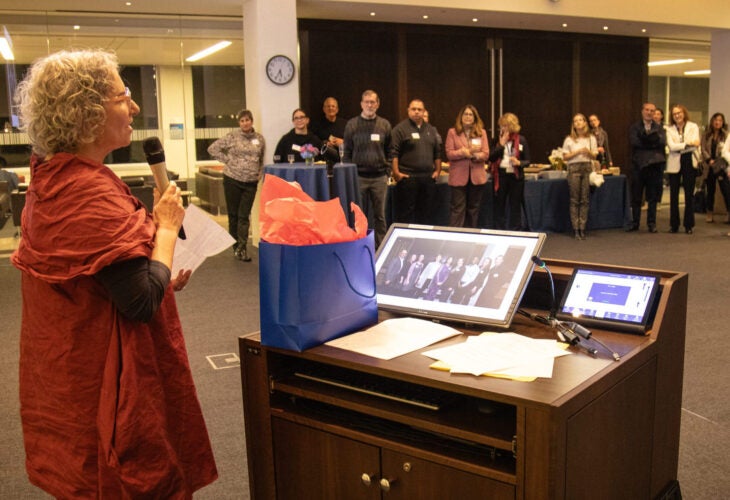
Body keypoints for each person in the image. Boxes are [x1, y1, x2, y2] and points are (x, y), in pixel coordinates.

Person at [10, 49, 217, 498]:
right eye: (124, 95)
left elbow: (112, 277)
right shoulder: (87, 191)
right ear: (88, 113)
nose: (135, 107)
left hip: (68, 376)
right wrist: (165, 230)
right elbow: (140, 302)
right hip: (107, 387)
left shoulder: (55, 178)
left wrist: (157, 268)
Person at [207, 109, 265, 261]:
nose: (245, 123)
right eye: (242, 121)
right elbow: (212, 149)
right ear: (239, 123)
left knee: (244, 216)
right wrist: (228, 161)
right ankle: (236, 247)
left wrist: (259, 173)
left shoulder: (259, 139)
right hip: (232, 179)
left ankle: (242, 247)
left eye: (247, 120)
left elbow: (261, 158)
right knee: (233, 215)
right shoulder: (232, 137)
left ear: (252, 121)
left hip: (250, 182)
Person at [343, 90, 392, 247]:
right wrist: (349, 174)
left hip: (379, 178)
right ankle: (360, 246)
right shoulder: (352, 125)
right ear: (361, 104)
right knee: (359, 215)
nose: (369, 105)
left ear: (378, 104)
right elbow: (347, 152)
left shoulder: (385, 125)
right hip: (359, 177)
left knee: (380, 216)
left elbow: (390, 150)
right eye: (366, 102)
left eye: (372, 102)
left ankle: (381, 247)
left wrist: (388, 171)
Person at [390, 99, 442, 224]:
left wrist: (438, 170)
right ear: (408, 110)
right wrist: (396, 172)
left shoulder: (431, 130)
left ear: (424, 111)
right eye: (414, 109)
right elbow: (393, 152)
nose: (417, 112)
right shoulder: (400, 129)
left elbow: (437, 152)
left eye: (420, 109)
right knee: (406, 214)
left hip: (427, 178)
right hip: (408, 178)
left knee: (426, 214)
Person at [445, 104, 490, 228]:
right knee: (458, 209)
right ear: (461, 116)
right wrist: (463, 152)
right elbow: (449, 153)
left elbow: (486, 154)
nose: (468, 117)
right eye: (466, 114)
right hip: (459, 177)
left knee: (473, 209)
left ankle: (471, 237)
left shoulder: (482, 133)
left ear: (475, 118)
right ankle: (454, 237)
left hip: (476, 177)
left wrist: (474, 155)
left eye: (471, 114)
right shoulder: (452, 132)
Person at [628, 102, 666, 233]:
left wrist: (645, 140)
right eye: (647, 110)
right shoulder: (634, 127)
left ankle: (651, 223)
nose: (649, 113)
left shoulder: (659, 128)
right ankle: (635, 222)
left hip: (654, 166)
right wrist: (651, 142)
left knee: (652, 197)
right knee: (636, 196)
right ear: (642, 111)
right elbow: (635, 142)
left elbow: (661, 142)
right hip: (638, 166)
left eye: (652, 111)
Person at [489, 113, 531, 231]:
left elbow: (528, 160)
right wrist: (501, 145)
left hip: (515, 177)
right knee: (499, 205)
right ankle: (499, 230)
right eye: (502, 126)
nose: (503, 128)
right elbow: (491, 157)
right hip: (500, 176)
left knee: (515, 205)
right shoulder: (496, 140)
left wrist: (519, 163)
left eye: (506, 126)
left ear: (512, 126)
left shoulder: (521, 140)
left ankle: (515, 230)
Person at [562, 113, 598, 240]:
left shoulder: (591, 138)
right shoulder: (569, 139)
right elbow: (564, 157)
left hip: (586, 168)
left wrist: (588, 152)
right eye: (575, 121)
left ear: (585, 123)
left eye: (580, 120)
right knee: (574, 199)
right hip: (574, 168)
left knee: (584, 199)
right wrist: (577, 152)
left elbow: (595, 155)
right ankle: (575, 228)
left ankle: (583, 227)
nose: (578, 123)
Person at [666, 104, 700, 234]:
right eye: (674, 114)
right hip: (674, 162)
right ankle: (674, 225)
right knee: (673, 195)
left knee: (688, 195)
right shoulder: (669, 129)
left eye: (679, 113)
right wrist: (687, 144)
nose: (677, 116)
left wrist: (684, 146)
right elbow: (672, 146)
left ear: (684, 113)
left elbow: (696, 144)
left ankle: (688, 225)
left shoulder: (693, 126)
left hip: (689, 162)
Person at [700, 112, 730, 223]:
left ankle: (728, 213)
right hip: (709, 166)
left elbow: (726, 151)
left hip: (721, 166)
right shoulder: (706, 135)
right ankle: (709, 212)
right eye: (716, 120)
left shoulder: (726, 135)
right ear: (712, 121)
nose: (717, 122)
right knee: (710, 190)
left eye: (720, 120)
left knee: (726, 190)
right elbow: (703, 149)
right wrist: (709, 160)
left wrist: (718, 161)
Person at [311, 96, 347, 165]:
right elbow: (312, 140)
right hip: (323, 161)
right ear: (324, 109)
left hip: (341, 160)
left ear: (337, 109)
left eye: (333, 106)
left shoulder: (345, 124)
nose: (331, 108)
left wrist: (343, 142)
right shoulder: (316, 124)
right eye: (328, 106)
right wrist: (325, 144)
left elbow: (352, 141)